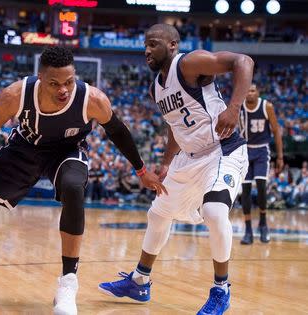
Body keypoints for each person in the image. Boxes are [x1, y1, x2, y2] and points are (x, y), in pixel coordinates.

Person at [0, 46, 165, 315]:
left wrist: (142, 171)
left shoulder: (92, 99)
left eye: (69, 82)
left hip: (67, 151)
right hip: (24, 148)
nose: (63, 90)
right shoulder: (16, 94)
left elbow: (118, 131)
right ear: (40, 78)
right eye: (54, 83)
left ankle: (68, 281)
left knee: (74, 188)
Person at [98, 24, 254, 315]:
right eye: (145, 44)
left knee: (214, 211)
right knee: (158, 213)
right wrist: (168, 161)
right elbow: (175, 125)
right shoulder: (155, 86)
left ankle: (221, 289)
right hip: (189, 157)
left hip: (223, 149)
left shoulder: (189, 63)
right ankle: (139, 281)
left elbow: (243, 62)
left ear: (172, 46)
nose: (146, 50)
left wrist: (233, 108)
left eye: (153, 43)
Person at [238, 83, 283, 244]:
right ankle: (248, 229)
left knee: (262, 186)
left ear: (258, 92)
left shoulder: (267, 106)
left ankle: (263, 224)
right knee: (246, 190)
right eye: (247, 91)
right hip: (245, 150)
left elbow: (276, 131)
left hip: (262, 150)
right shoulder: (239, 107)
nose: (249, 93)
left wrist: (280, 157)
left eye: (252, 90)